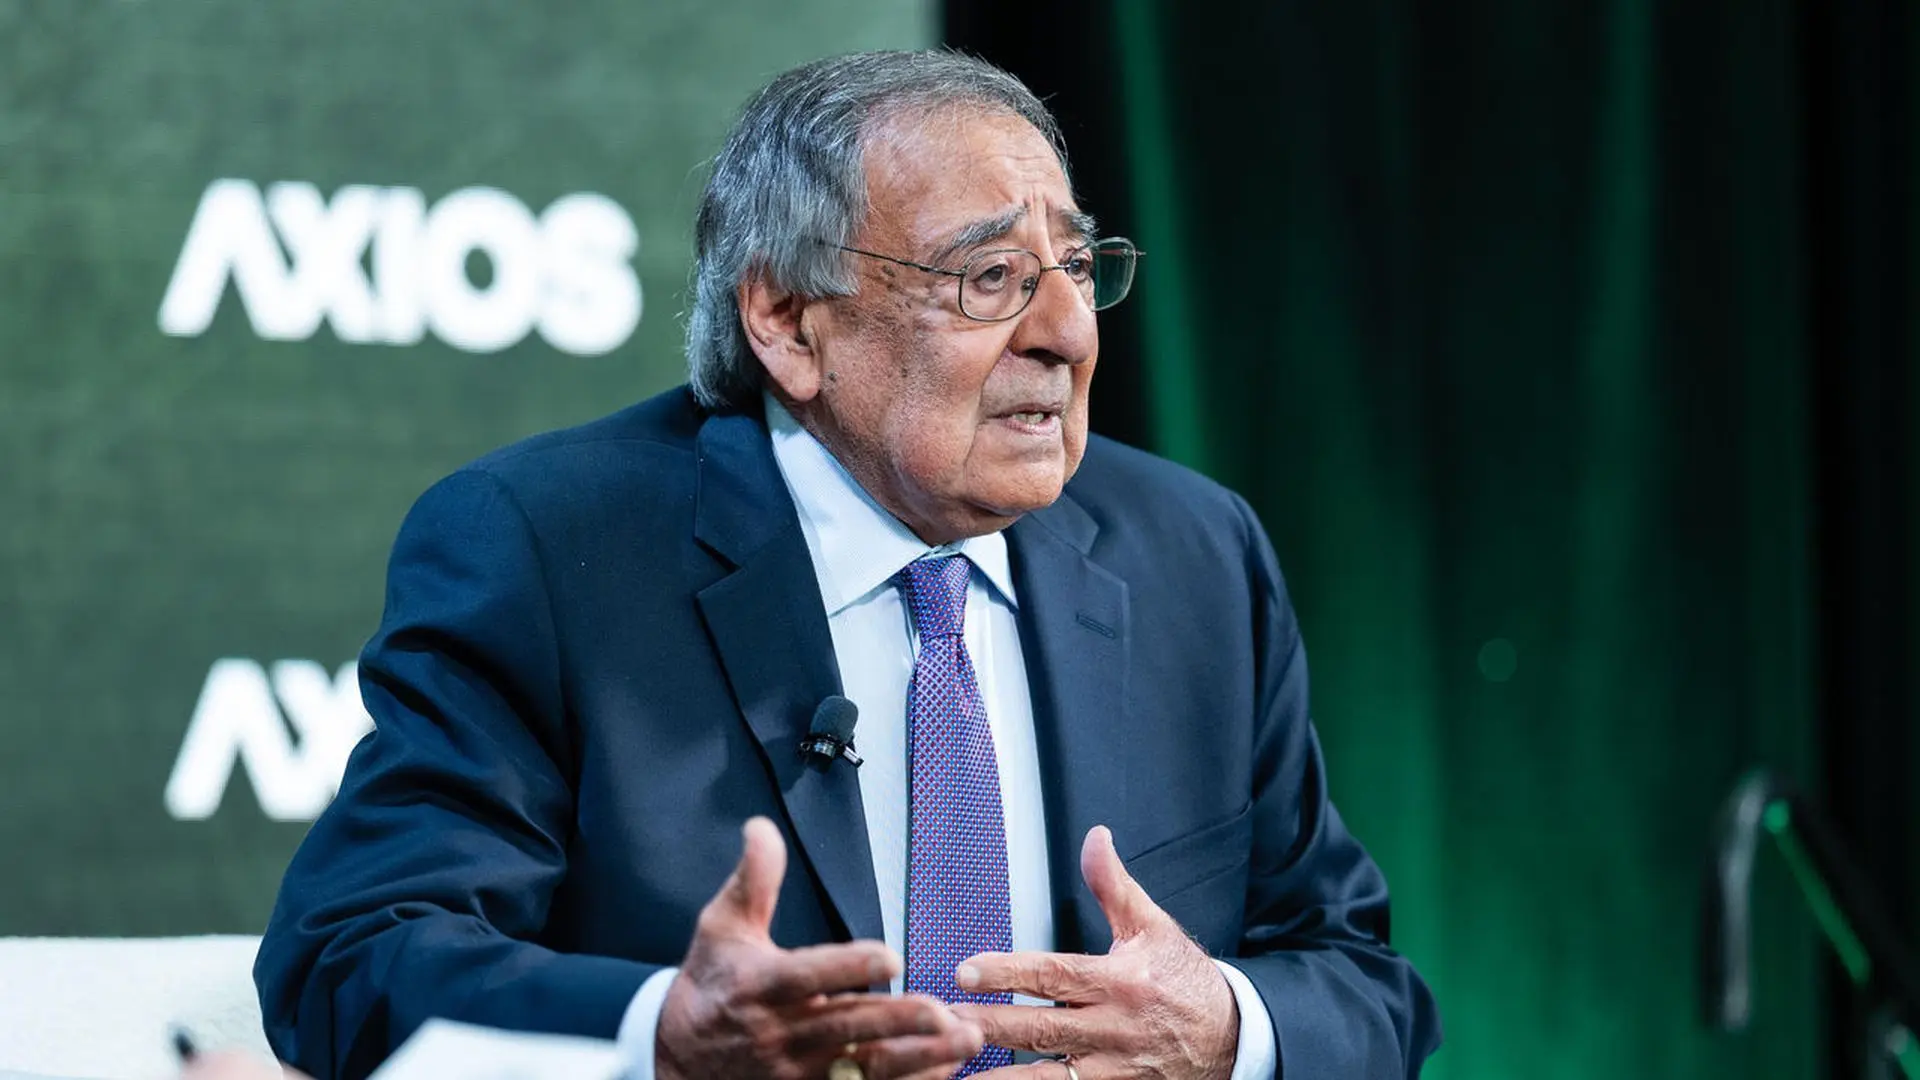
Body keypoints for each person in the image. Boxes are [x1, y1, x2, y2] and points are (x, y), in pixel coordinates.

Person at [254, 49, 1440, 1080]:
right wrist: (661, 1034)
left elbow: (1361, 981)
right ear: (788, 322)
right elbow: (348, 955)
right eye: (990, 279)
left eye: (1077, 267)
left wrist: (1225, 1031)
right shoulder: (546, 549)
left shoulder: (1194, 554)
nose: (1066, 331)